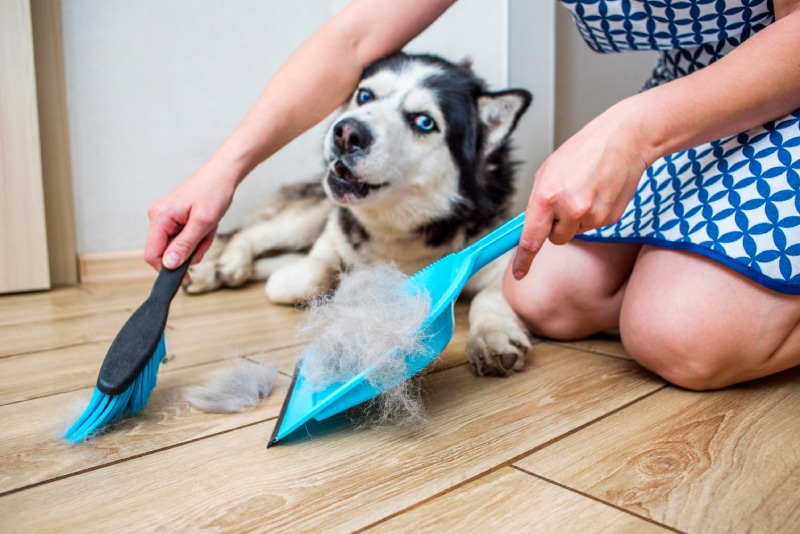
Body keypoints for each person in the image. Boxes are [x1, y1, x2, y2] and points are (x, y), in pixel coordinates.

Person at [145, 0, 800, 391]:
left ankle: (716, 301)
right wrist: (223, 168)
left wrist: (636, 127)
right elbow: (353, 39)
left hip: (775, 89)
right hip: (691, 93)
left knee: (683, 338)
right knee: (546, 298)